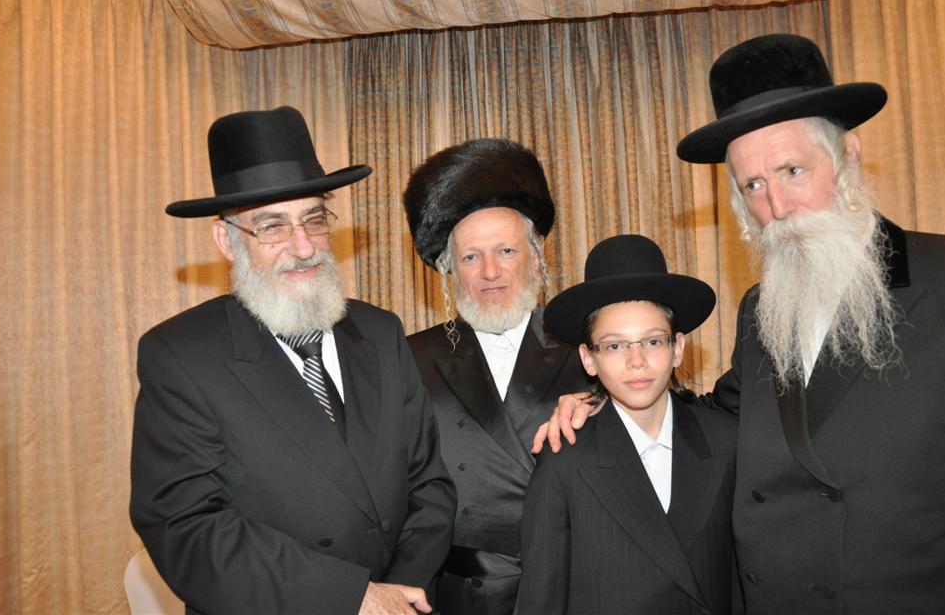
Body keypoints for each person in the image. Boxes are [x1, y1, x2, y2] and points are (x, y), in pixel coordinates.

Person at [536, 34, 945, 612]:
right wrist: (602, 403)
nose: (778, 208)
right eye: (753, 185)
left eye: (792, 170)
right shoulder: (762, 310)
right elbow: (722, 415)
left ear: (848, 156)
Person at [129, 106, 456, 615]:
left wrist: (401, 591)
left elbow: (429, 483)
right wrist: (352, 598)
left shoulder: (380, 331)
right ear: (226, 240)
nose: (304, 247)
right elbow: (187, 527)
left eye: (314, 219)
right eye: (272, 226)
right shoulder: (180, 355)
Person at [403, 138, 591, 614]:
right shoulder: (409, 357)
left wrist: (605, 405)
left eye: (505, 250)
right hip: (458, 598)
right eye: (471, 257)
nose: (490, 271)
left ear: (537, 255)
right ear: (450, 269)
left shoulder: (589, 347)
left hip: (576, 587)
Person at [516, 234, 738, 615]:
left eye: (652, 342)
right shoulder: (565, 460)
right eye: (615, 346)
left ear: (678, 348)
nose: (637, 361)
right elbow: (542, 598)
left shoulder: (726, 441)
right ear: (589, 359)